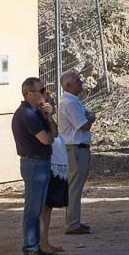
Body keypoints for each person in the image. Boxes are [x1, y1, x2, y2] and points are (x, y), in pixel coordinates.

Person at [12, 77, 57, 255]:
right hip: (34, 164)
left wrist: (49, 117)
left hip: (41, 162)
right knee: (33, 208)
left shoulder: (36, 113)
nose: (45, 94)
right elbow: (47, 139)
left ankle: (35, 246)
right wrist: (49, 133)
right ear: (29, 94)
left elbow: (54, 133)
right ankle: (30, 250)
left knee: (37, 207)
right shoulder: (27, 115)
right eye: (42, 90)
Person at [58, 70, 95, 236]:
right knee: (74, 186)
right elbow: (84, 124)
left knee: (75, 186)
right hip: (75, 148)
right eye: (78, 81)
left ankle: (74, 220)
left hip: (77, 148)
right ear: (68, 85)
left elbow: (86, 116)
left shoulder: (72, 101)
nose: (81, 83)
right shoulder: (70, 103)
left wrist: (89, 117)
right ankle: (72, 223)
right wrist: (91, 118)